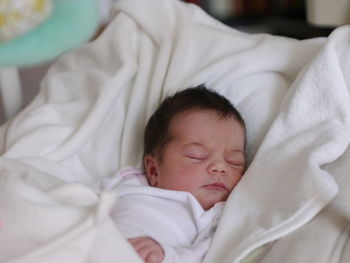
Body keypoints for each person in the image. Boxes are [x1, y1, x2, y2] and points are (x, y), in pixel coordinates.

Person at [102, 85, 246, 263]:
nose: (220, 167)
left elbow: (207, 254)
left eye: (234, 161)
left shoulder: (216, 217)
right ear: (154, 170)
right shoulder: (127, 182)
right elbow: (83, 201)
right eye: (197, 156)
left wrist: (166, 255)